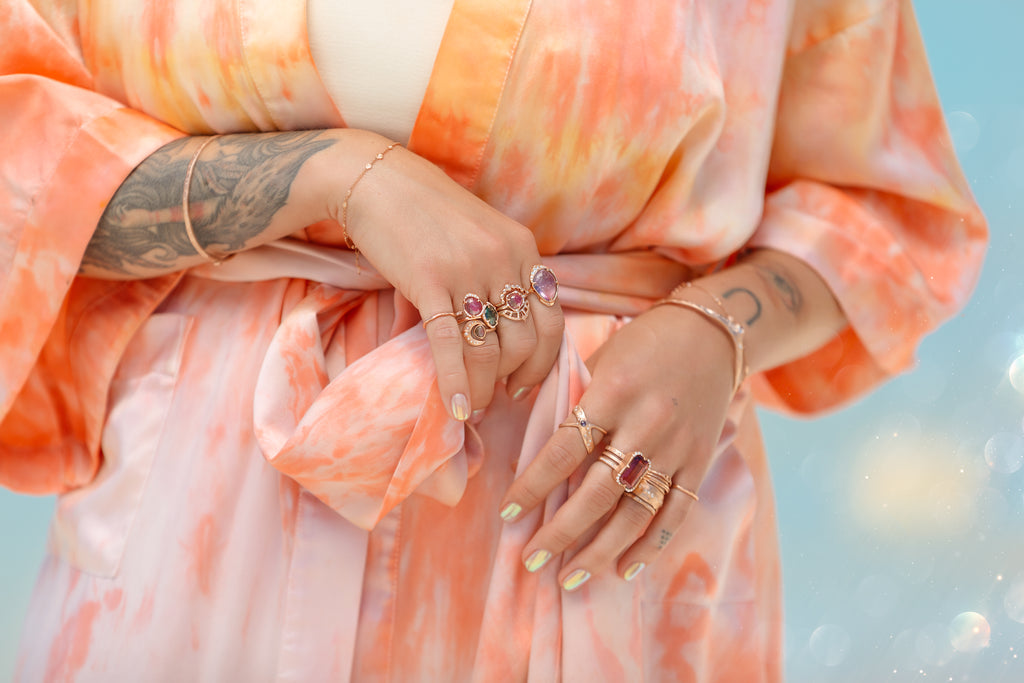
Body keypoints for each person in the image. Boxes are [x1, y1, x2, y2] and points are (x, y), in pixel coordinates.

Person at [0, 0, 986, 680]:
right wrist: (333, 175)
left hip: (594, 508)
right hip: (198, 516)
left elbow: (883, 212)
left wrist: (716, 328)